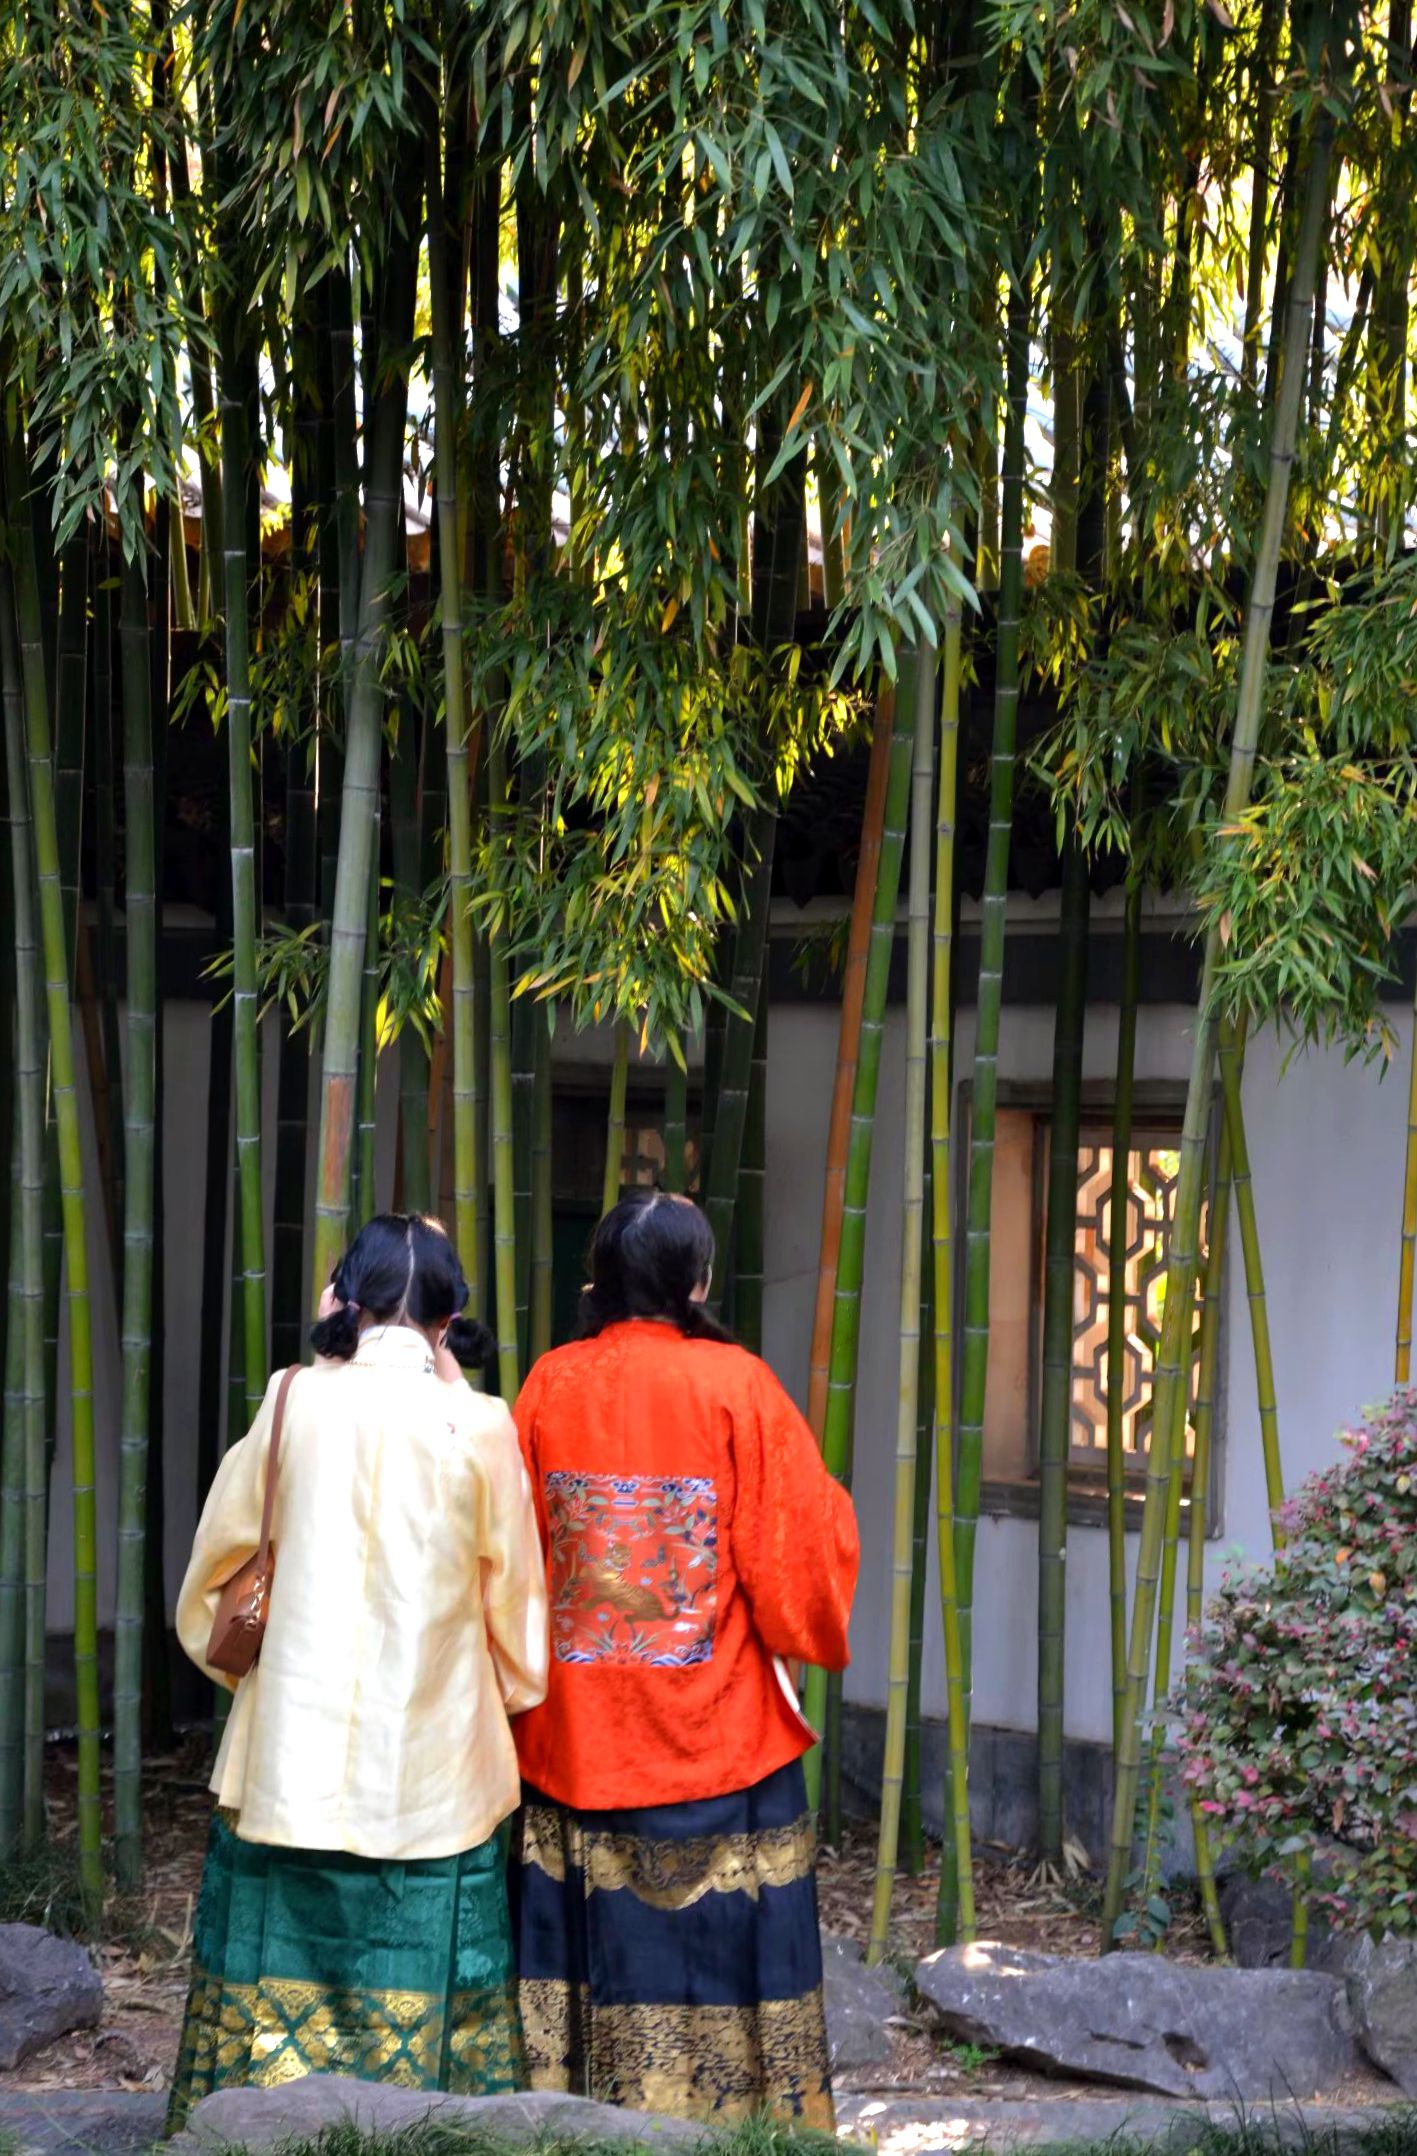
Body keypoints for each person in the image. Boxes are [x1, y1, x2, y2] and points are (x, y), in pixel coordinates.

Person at [165, 1213, 548, 2134]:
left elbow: (215, 1574)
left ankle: (253, 2131)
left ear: (346, 1299)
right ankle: (430, 2134)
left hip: (285, 1763)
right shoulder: (479, 1425)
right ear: (448, 1319)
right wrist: (493, 1699)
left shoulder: (292, 1399)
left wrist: (257, 1687)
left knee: (268, 1959)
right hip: (433, 1772)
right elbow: (518, 1617)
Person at [509, 1189, 859, 2129]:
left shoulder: (550, 1384)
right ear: (696, 1282)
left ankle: (579, 2121)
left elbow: (514, 1553)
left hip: (579, 1730)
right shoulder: (737, 1385)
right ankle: (742, 2122)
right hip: (717, 1730)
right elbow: (796, 1553)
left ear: (600, 1278)